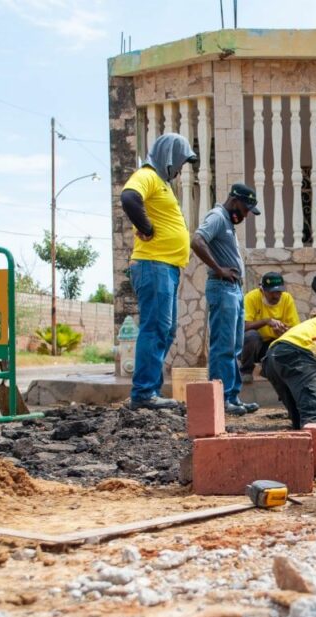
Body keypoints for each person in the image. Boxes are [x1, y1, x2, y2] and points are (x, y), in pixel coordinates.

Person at [121, 133, 198, 410]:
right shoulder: (148, 175)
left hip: (166, 267)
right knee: (155, 328)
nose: (179, 169)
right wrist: (147, 228)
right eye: (179, 162)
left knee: (166, 330)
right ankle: (143, 393)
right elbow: (129, 198)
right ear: (169, 157)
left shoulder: (162, 184)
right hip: (153, 264)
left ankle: (149, 389)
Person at [190, 183, 262, 416]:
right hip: (222, 288)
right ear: (234, 200)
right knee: (223, 347)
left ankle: (232, 397)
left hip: (233, 290)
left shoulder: (228, 223)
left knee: (234, 346)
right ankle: (220, 400)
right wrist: (219, 269)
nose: (246, 214)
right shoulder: (217, 217)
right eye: (245, 208)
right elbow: (197, 241)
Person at [241, 271, 300, 380]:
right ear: (262, 290)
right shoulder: (251, 297)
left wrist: (283, 332)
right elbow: (243, 327)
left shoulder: (287, 298)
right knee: (251, 335)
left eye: (279, 292)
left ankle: (267, 370)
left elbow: (296, 330)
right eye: (272, 292)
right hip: (252, 347)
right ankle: (246, 371)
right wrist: (266, 321)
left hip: (272, 346)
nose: (276, 295)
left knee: (290, 343)